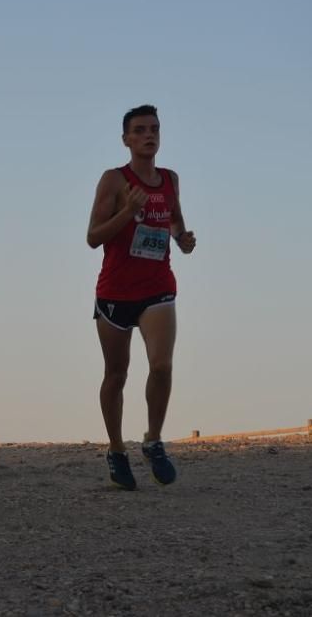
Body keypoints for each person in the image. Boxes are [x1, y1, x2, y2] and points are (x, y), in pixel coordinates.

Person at [86, 104, 197, 490]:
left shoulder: (170, 179)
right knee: (116, 375)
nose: (149, 135)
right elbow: (93, 237)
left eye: (154, 129)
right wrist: (127, 211)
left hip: (158, 288)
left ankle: (153, 439)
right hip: (115, 292)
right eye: (140, 130)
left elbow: (174, 219)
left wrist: (182, 239)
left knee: (162, 366)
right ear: (126, 139)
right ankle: (117, 450)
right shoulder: (114, 181)